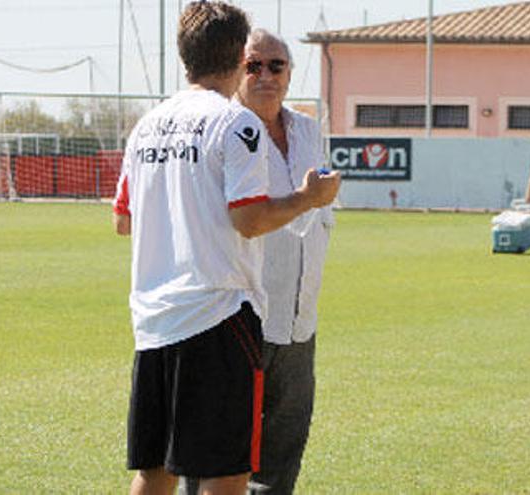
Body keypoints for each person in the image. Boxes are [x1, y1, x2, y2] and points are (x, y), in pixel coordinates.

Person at [112, 3, 340, 495]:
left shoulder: (147, 125)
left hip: (153, 318)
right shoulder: (236, 124)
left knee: (155, 470)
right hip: (217, 316)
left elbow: (122, 220)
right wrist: (307, 198)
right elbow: (250, 220)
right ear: (240, 55)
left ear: (183, 55)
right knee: (227, 471)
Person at [182, 28, 334, 495]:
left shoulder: (309, 129)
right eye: (253, 65)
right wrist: (306, 200)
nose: (265, 75)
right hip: (236, 318)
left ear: (290, 72)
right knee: (216, 455)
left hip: (297, 321)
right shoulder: (224, 129)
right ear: (235, 69)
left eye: (276, 65)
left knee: (282, 457)